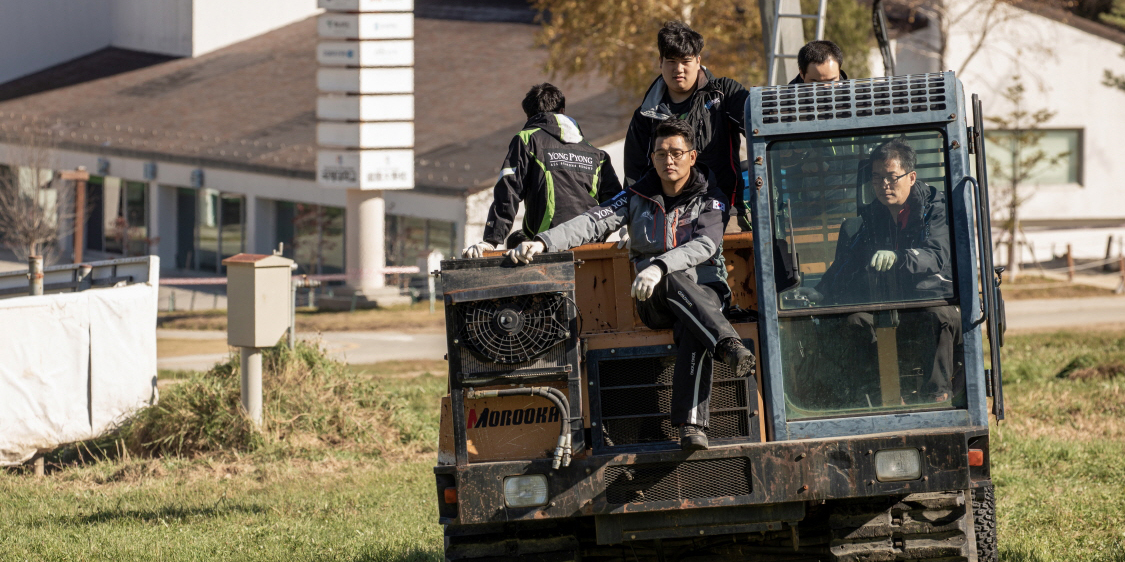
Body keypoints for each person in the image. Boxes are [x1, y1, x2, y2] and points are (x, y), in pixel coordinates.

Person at [507, 119, 756, 451]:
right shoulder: (635, 197)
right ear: (651, 157)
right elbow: (591, 222)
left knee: (693, 326)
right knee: (685, 304)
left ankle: (691, 427)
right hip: (653, 300)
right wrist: (543, 242)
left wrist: (659, 265)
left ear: (692, 157)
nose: (670, 160)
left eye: (677, 153)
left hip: (705, 293)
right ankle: (727, 345)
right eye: (662, 153)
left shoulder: (712, 198)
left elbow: (706, 245)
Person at [798, 138, 960, 404]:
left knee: (936, 316)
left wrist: (899, 257)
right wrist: (820, 291)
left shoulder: (936, 210)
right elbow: (849, 260)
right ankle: (874, 394)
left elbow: (936, 255)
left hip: (930, 301)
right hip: (886, 305)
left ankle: (937, 395)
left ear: (911, 177)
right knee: (854, 320)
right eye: (876, 178)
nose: (884, 185)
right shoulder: (874, 216)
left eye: (891, 177)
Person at [462, 83, 622, 258]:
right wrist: (596, 238)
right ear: (562, 110)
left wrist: (491, 241)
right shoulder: (597, 154)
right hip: (591, 252)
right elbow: (616, 205)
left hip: (547, 248)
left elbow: (509, 191)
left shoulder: (527, 139)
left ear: (529, 115)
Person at [623, 21, 749, 222]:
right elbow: (634, 174)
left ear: (698, 61)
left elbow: (761, 129)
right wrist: (633, 220)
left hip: (725, 213)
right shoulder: (645, 115)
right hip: (667, 221)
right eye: (671, 61)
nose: (678, 69)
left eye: (685, 61)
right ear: (660, 62)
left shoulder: (725, 94)